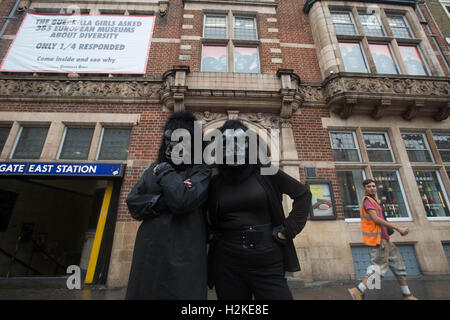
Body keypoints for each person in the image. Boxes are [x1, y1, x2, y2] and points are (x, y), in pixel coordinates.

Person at [207, 119, 312, 300]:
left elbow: (302, 195)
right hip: (227, 263)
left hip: (267, 260)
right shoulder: (215, 180)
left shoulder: (265, 171)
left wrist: (287, 231)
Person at [125, 110, 211, 300]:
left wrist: (164, 172)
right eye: (168, 140)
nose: (171, 147)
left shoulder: (201, 171)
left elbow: (182, 201)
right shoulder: (150, 170)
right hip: (150, 253)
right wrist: (166, 199)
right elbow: (133, 202)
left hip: (185, 254)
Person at [348, 179, 418, 300]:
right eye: (369, 186)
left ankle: (407, 294)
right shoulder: (368, 201)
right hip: (379, 240)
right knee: (378, 269)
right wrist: (398, 228)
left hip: (385, 239)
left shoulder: (374, 201)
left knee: (398, 266)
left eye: (374, 186)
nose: (372, 188)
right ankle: (358, 290)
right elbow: (376, 219)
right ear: (365, 189)